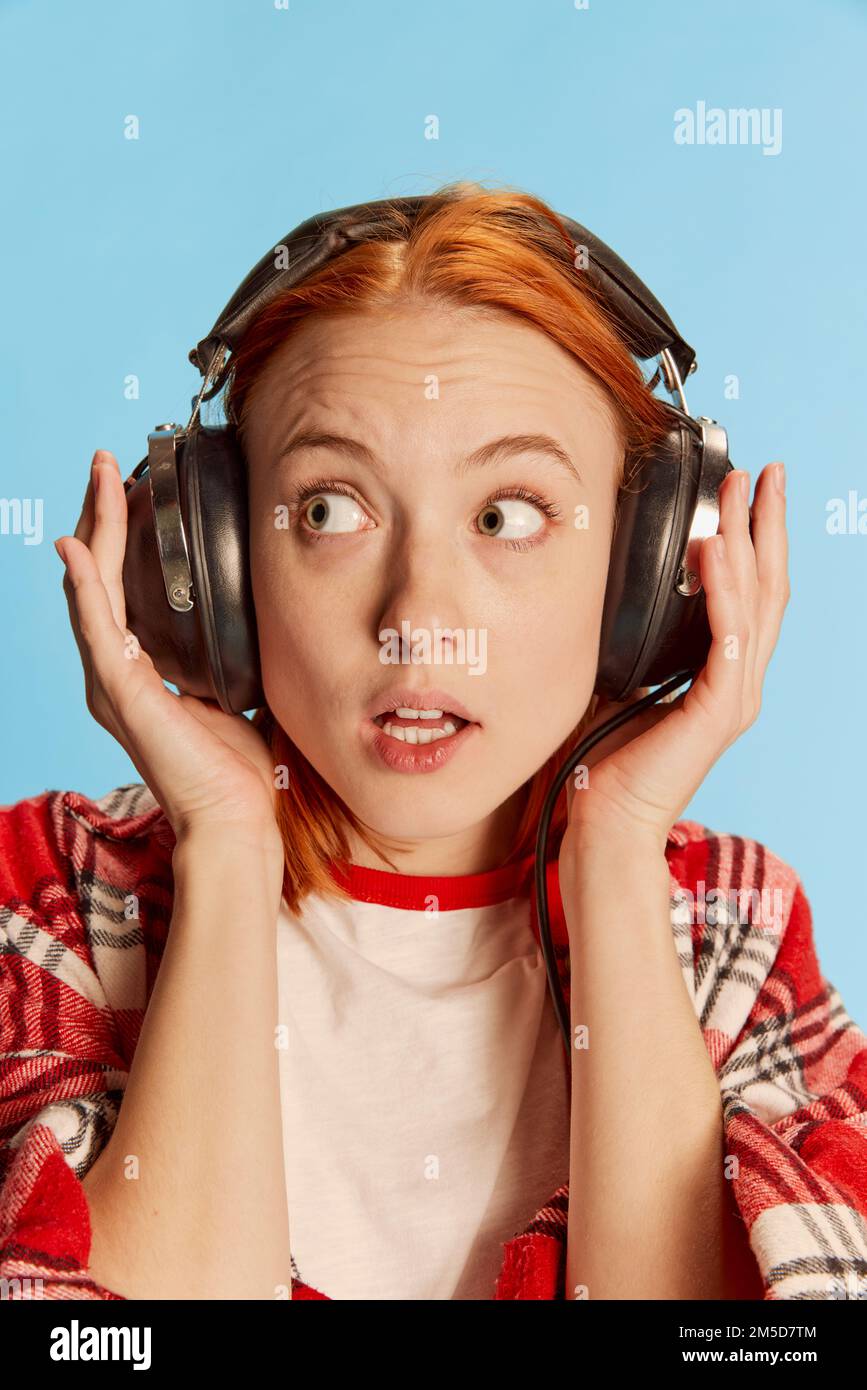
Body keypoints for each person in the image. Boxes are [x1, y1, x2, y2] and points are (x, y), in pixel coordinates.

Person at [2, 184, 866, 1302]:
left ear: (648, 573)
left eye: (509, 513)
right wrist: (224, 846)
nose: (419, 613)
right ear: (208, 558)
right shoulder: (57, 897)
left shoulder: (730, 932)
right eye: (328, 509)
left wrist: (614, 854)